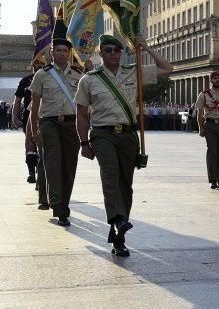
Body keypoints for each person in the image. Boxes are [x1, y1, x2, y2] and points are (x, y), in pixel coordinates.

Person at [75, 34, 173, 257]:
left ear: (121, 53)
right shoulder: (89, 79)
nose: (112, 54)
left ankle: (119, 236)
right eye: (107, 50)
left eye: (116, 50)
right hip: (102, 134)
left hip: (128, 135)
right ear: (100, 53)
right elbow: (81, 114)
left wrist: (145, 47)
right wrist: (83, 142)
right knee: (110, 174)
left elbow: (167, 68)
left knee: (125, 186)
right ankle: (118, 218)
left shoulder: (133, 71)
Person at [28, 38, 85, 227]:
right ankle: (57, 205)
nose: (61, 53)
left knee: (69, 166)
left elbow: (85, 105)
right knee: (52, 162)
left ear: (69, 53)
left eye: (64, 51)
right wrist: (34, 131)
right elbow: (35, 106)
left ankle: (63, 202)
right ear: (51, 53)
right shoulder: (41, 75)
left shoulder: (79, 74)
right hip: (49, 123)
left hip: (72, 124)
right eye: (58, 50)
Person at [12, 61, 43, 184]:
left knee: (42, 145)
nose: (38, 66)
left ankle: (40, 173)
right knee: (30, 144)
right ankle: (31, 172)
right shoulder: (25, 80)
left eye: (41, 64)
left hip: (44, 115)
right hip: (28, 116)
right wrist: (15, 117)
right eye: (36, 64)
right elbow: (18, 100)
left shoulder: (48, 78)